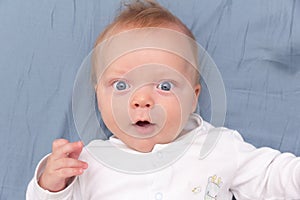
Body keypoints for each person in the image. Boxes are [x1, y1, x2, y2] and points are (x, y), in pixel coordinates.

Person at [26, 0, 300, 199]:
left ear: (193, 99)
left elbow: (274, 178)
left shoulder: (219, 146)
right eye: (121, 85)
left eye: (164, 85)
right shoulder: (90, 162)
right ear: (98, 96)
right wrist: (51, 185)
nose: (142, 100)